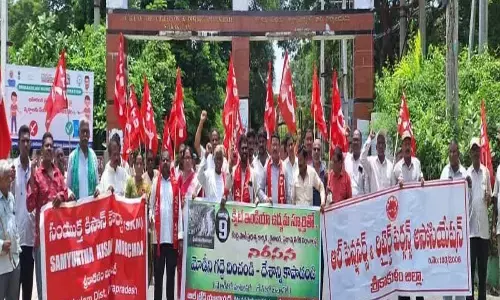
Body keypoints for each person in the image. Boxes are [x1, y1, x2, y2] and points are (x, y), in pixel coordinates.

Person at [27, 132, 73, 300]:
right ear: (42, 149)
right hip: (42, 242)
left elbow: (67, 194)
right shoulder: (36, 176)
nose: (49, 148)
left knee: (58, 286)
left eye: (51, 146)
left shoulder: (58, 175)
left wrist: (62, 196)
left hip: (59, 241)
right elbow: (29, 205)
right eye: (46, 145)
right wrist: (31, 179)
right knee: (42, 288)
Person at [393, 131, 424, 300]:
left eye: (408, 143)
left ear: (411, 146)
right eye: (404, 143)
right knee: (404, 264)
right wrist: (398, 187)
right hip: (402, 225)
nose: (406, 146)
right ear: (401, 147)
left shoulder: (417, 164)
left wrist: (422, 181)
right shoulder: (396, 168)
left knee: (417, 263)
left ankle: (419, 296)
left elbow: (421, 179)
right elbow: (391, 197)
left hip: (416, 223)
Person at [149, 150, 183, 300]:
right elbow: (150, 207)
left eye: (167, 160)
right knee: (158, 280)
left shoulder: (175, 185)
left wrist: (180, 237)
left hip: (172, 240)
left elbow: (180, 213)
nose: (165, 163)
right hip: (158, 241)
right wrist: (150, 217)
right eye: (162, 160)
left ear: (171, 163)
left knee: (170, 279)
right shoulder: (155, 184)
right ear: (160, 163)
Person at [442, 140, 468, 300]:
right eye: (450, 152)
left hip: (460, 232)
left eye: (455, 152)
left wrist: (468, 187)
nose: (452, 155)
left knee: (459, 270)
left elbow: (468, 201)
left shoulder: (465, 174)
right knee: (447, 269)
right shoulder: (444, 173)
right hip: (445, 231)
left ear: (458, 154)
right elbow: (438, 195)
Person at [12, 126, 35, 300]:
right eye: (23, 141)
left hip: (30, 240)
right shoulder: (11, 169)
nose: (25, 144)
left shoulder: (36, 170)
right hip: (14, 241)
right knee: (13, 292)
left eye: (28, 141)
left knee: (27, 291)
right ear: (18, 143)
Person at [467, 137, 491, 300]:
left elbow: (489, 198)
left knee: (482, 274)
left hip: (483, 231)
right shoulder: (465, 174)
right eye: (473, 150)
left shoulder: (486, 173)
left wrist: (489, 198)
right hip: (470, 231)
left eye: (478, 149)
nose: (476, 152)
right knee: (470, 274)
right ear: (470, 153)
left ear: (481, 152)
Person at [0, 160, 21, 300]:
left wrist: (17, 245)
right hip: (1, 267)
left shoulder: (11, 198)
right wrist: (1, 245)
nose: (10, 182)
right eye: (7, 178)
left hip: (14, 263)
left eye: (11, 178)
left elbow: (15, 225)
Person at [66, 119, 99, 200]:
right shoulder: (72, 157)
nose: (85, 134)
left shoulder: (93, 156)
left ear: (89, 134)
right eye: (83, 131)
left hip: (91, 207)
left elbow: (97, 183)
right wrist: (70, 193)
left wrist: (98, 189)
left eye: (87, 131)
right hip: (77, 207)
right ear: (79, 133)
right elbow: (67, 186)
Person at [225, 134, 259, 203]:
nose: (244, 151)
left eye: (246, 148)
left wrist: (256, 200)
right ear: (239, 150)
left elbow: (255, 195)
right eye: (242, 148)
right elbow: (227, 190)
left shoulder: (253, 173)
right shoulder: (233, 171)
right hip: (235, 212)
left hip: (248, 213)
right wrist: (230, 165)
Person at [258, 133, 290, 204]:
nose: (275, 148)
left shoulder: (284, 167)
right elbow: (260, 189)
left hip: (282, 211)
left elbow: (288, 194)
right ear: (270, 146)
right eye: (273, 145)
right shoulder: (266, 166)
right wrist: (265, 198)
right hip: (269, 211)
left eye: (277, 145)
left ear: (279, 147)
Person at [344, 129, 366, 196]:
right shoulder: (346, 160)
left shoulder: (365, 162)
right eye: (354, 140)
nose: (355, 142)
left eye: (357, 140)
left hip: (361, 203)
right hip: (347, 203)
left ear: (361, 142)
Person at [311, 139, 327, 207]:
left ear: (321, 151)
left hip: (321, 207)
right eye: (314, 149)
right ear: (312, 150)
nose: (316, 151)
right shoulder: (308, 169)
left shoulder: (325, 170)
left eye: (318, 149)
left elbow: (326, 189)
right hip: (310, 207)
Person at [283, 134, 298, 203]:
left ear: (294, 145)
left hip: (299, 204)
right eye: (288, 145)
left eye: (292, 144)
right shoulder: (283, 165)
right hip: (287, 206)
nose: (290, 147)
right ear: (286, 148)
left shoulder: (300, 164)